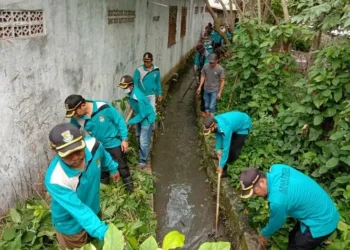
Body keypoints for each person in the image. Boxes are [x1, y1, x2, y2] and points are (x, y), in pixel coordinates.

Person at [45, 123, 120, 249]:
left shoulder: (94, 146)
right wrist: (106, 233)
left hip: (93, 208)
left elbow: (103, 156)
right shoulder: (56, 179)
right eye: (68, 155)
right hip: (70, 225)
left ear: (82, 142)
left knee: (94, 241)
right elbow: (79, 211)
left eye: (78, 150)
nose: (75, 158)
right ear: (55, 150)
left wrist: (112, 168)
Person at [239, 165, 340, 249]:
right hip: (323, 206)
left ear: (261, 182)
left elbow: (276, 222)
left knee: (298, 246)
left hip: (323, 221)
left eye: (254, 192)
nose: (255, 196)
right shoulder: (277, 168)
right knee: (293, 237)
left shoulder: (277, 201)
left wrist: (264, 235)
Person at [64, 94, 134, 192]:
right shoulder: (76, 118)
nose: (74, 115)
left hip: (113, 143)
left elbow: (119, 121)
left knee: (122, 167)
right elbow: (72, 131)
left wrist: (124, 139)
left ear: (83, 105)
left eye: (75, 112)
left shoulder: (103, 107)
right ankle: (105, 192)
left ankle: (130, 190)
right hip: (98, 147)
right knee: (101, 169)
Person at [119, 75, 156, 169]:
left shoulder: (137, 96)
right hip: (140, 116)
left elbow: (143, 114)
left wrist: (130, 122)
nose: (124, 89)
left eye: (125, 87)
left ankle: (143, 161)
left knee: (143, 141)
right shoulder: (131, 94)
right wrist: (128, 119)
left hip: (146, 118)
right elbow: (133, 108)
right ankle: (142, 153)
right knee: (138, 136)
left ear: (131, 86)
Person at [203, 111, 252, 178]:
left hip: (244, 125)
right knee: (222, 150)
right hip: (233, 123)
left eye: (210, 131)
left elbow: (226, 148)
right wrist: (217, 149)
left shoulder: (225, 129)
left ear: (214, 125)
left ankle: (224, 169)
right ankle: (222, 159)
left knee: (232, 150)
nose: (210, 133)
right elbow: (218, 135)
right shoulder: (214, 120)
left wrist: (221, 166)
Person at [196, 53, 225, 117]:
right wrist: (200, 87)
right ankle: (207, 116)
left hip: (214, 90)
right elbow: (203, 76)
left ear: (217, 61)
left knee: (212, 105)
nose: (211, 64)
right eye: (210, 62)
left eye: (213, 63)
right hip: (206, 89)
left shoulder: (220, 69)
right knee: (206, 105)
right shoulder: (205, 66)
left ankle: (211, 119)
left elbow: (222, 81)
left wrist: (220, 92)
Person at [194, 43, 214, 116]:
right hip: (201, 74)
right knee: (202, 90)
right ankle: (203, 109)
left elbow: (206, 66)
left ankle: (208, 109)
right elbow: (196, 61)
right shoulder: (198, 54)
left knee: (207, 91)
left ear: (203, 49)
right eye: (198, 52)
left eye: (200, 51)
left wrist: (201, 69)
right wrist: (196, 68)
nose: (199, 52)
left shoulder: (208, 55)